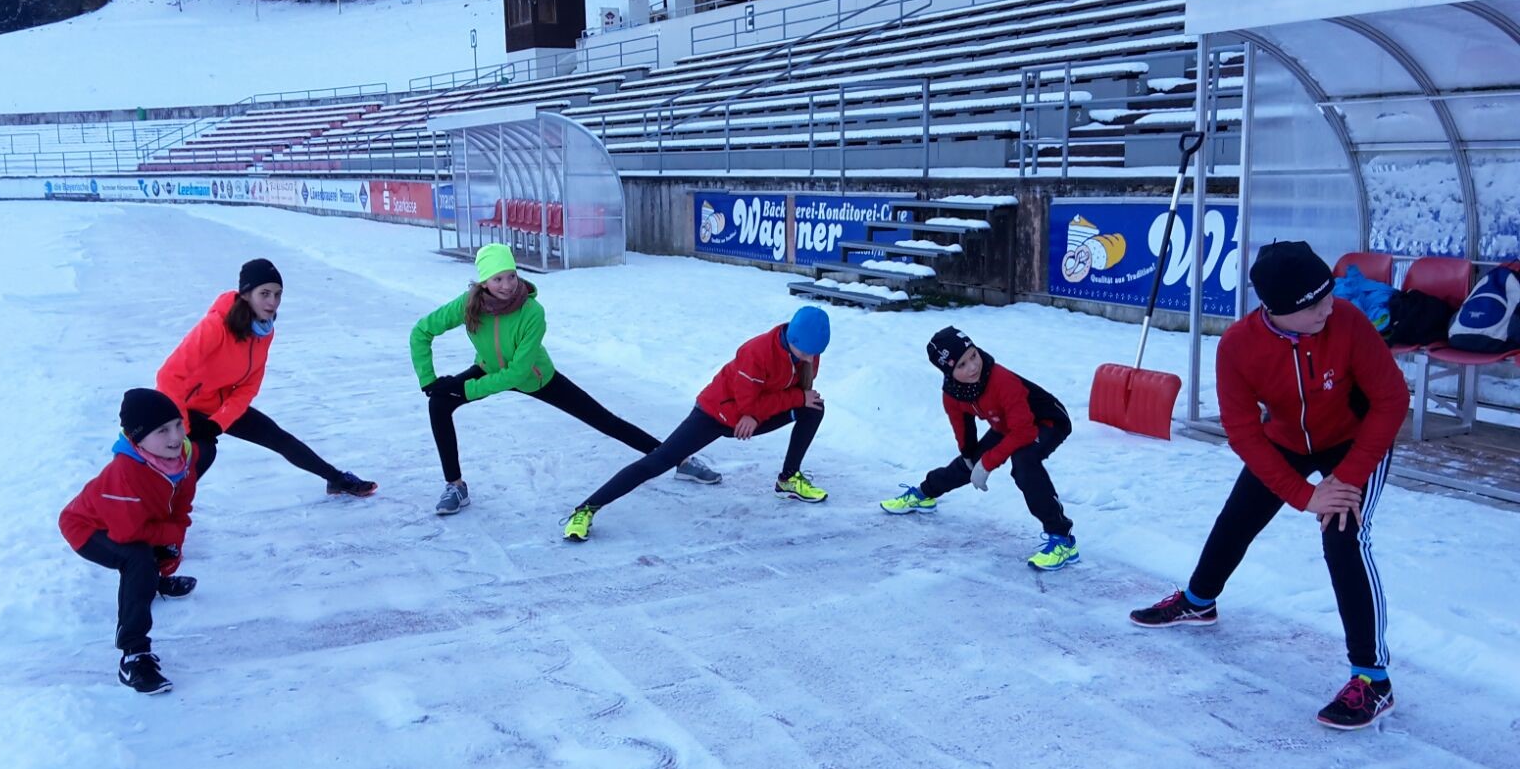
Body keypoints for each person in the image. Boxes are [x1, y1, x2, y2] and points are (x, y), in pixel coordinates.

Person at [1128, 240, 1410, 730]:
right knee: (1237, 518)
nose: (1330, 306)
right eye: (1315, 303)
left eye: (1329, 295)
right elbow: (1241, 430)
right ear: (1278, 310)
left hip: (1355, 442)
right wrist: (1303, 494)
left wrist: (1342, 481)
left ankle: (1372, 680)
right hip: (1285, 440)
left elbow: (1390, 401)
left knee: (1343, 536)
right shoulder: (1238, 346)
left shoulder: (1345, 321)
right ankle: (1199, 602)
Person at [411, 243, 720, 515]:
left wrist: (461, 387)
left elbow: (518, 373)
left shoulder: (532, 311)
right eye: (498, 279)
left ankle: (679, 459)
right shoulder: (468, 305)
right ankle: (455, 486)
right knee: (438, 404)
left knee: (605, 420)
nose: (507, 285)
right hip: (489, 369)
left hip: (536, 376)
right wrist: (430, 381)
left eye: (511, 276)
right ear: (483, 282)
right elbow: (421, 331)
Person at [563, 306, 832, 542]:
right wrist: (794, 398)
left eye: (815, 353)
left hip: (752, 418)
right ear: (793, 338)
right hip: (716, 414)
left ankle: (788, 479)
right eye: (806, 352)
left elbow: (786, 395)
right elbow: (747, 405)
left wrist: (795, 399)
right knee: (659, 460)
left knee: (813, 409)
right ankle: (586, 509)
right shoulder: (757, 351)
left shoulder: (807, 349)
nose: (810, 359)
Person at [156, 258, 376, 496]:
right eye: (265, 293)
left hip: (216, 406)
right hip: (183, 409)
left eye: (278, 294)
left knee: (278, 438)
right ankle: (159, 507)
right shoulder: (215, 326)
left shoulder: (264, 331)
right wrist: (184, 428)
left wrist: (218, 423)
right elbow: (169, 376)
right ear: (246, 294)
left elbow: (248, 387)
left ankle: (336, 479)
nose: (273, 302)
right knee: (203, 453)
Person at [880, 326, 1078, 570]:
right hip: (1006, 424)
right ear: (948, 372)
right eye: (961, 365)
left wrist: (987, 462)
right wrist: (971, 458)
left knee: (1024, 462)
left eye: (973, 356)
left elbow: (1024, 431)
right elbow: (964, 431)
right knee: (969, 464)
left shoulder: (1002, 380)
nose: (973, 366)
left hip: (1046, 422)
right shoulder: (952, 395)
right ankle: (924, 493)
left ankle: (1062, 539)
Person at [59, 389, 200, 694]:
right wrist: (170, 539)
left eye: (178, 424)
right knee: (137, 558)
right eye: (162, 430)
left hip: (133, 520)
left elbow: (182, 505)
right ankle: (133, 656)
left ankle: (155, 581)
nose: (175, 436)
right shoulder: (125, 474)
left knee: (153, 554)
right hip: (87, 528)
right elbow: (129, 533)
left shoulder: (186, 455)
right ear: (137, 438)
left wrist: (175, 545)